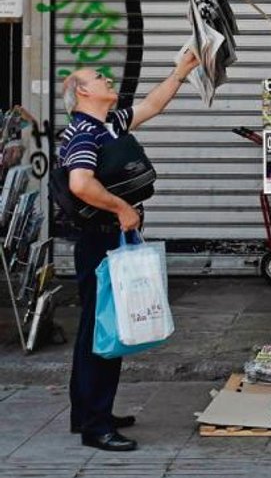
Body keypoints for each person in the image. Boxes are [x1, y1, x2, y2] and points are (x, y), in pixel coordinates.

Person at [60, 50, 200, 452]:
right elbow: (80, 184)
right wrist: (123, 209)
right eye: (98, 77)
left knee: (100, 327)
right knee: (102, 330)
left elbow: (153, 105)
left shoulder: (108, 124)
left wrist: (181, 72)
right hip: (100, 239)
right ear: (82, 92)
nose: (107, 79)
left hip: (108, 236)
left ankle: (87, 411)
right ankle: (95, 425)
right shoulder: (84, 133)